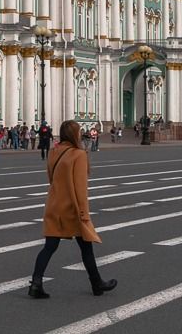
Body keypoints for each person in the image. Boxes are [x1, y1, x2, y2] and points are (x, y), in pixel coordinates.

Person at [28, 120, 117, 299]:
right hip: (72, 208)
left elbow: (51, 178)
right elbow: (80, 188)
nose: (80, 134)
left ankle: (36, 283)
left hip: (54, 204)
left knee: (49, 247)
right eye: (79, 131)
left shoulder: (54, 152)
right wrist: (84, 212)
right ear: (74, 134)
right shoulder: (79, 155)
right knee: (86, 248)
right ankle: (97, 283)